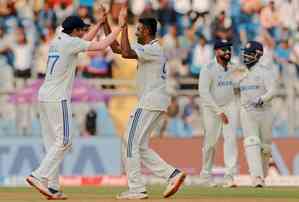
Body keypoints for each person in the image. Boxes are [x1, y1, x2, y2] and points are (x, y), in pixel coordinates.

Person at [25, 8, 126, 200]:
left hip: (44, 95)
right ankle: (38, 175)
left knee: (51, 143)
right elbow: (101, 44)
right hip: (57, 97)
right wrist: (119, 28)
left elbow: (85, 40)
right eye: (81, 29)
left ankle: (52, 187)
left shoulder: (58, 40)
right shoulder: (71, 43)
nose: (82, 32)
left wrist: (98, 24)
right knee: (64, 140)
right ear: (74, 31)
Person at [102, 7, 186, 200]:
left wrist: (123, 26)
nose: (136, 32)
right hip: (154, 101)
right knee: (140, 146)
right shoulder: (148, 48)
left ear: (147, 31)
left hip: (150, 101)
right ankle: (172, 175)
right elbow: (117, 48)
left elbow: (125, 52)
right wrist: (106, 22)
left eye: (138, 29)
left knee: (129, 142)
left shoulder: (153, 49)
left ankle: (136, 189)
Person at [198, 39, 238, 187]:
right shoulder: (208, 68)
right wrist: (218, 111)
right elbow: (203, 93)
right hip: (211, 109)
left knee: (231, 140)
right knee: (210, 143)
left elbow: (245, 79)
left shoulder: (234, 67)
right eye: (224, 49)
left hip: (230, 105)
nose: (227, 52)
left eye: (229, 49)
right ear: (216, 52)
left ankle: (229, 176)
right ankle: (205, 176)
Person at [239, 41, 276, 187]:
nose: (246, 56)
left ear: (258, 54)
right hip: (247, 112)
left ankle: (263, 175)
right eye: (245, 53)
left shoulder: (265, 72)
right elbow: (227, 85)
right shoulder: (239, 71)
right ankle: (257, 177)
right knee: (251, 141)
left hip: (265, 112)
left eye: (250, 53)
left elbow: (273, 91)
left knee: (265, 147)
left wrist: (261, 99)